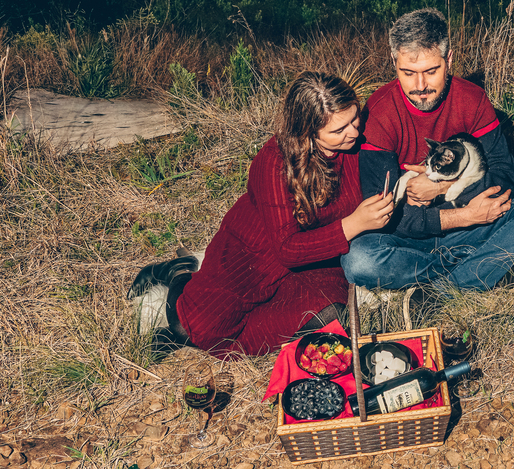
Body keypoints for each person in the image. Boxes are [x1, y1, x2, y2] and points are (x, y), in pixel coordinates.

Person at [131, 72, 394, 357]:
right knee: (191, 329)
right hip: (252, 259)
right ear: (307, 132)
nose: (354, 132)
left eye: (354, 119)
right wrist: (353, 224)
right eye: (339, 130)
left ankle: (191, 277)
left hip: (314, 264)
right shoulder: (274, 162)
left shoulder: (358, 145)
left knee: (331, 314)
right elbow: (287, 248)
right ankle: (179, 271)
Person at [341, 8, 514, 293]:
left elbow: (508, 174)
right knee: (358, 259)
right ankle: (481, 267)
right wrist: (462, 215)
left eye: (431, 71)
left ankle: (441, 288)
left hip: (477, 225)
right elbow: (383, 213)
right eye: (408, 73)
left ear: (448, 60)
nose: (420, 86)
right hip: (412, 236)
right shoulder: (378, 111)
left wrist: (443, 187)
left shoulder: (472, 99)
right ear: (393, 62)